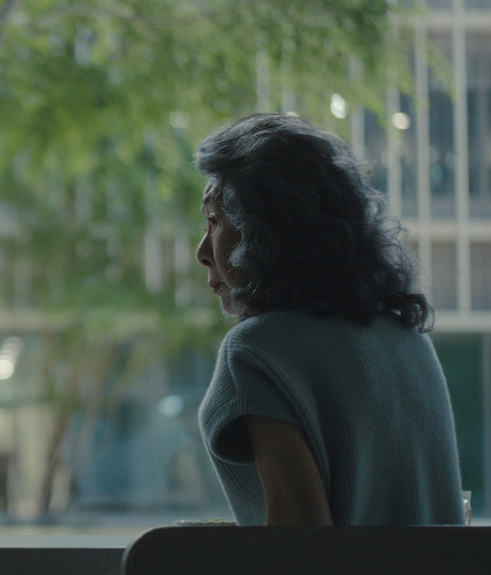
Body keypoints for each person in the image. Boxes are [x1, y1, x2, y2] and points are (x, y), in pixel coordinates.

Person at [193, 112, 466, 526]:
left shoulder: (258, 350)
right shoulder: (408, 340)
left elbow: (303, 549)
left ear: (263, 230)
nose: (201, 250)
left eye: (215, 221)